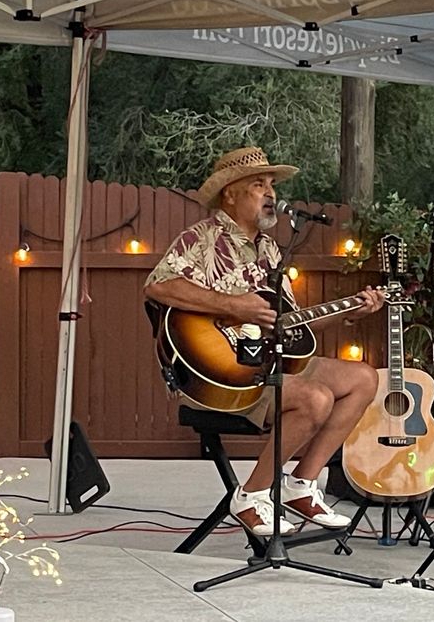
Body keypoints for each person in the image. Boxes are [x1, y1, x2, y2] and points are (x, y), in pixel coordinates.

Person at [145, 146, 384, 537]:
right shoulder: (202, 239)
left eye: (272, 184)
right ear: (230, 193)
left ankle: (300, 486)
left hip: (270, 363)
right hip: (220, 375)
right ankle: (251, 494)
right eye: (259, 184)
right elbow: (158, 286)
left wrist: (351, 312)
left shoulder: (270, 250)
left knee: (363, 378)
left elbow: (287, 328)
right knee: (315, 397)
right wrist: (234, 306)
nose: (270, 193)